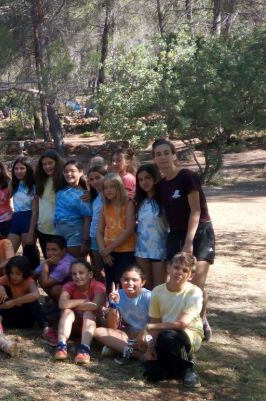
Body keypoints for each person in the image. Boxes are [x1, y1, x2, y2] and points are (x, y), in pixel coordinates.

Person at [152, 139, 214, 341]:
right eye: (158, 154)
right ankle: (179, 320)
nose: (162, 157)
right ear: (154, 158)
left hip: (199, 232)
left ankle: (201, 319)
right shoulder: (161, 185)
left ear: (174, 155)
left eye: (165, 153)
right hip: (175, 233)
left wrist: (189, 242)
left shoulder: (187, 176)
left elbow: (196, 210)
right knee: (174, 279)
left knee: (196, 282)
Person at [141, 253, 204, 388]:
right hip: (164, 333)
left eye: (185, 270)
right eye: (176, 267)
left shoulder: (195, 292)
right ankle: (170, 366)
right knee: (152, 375)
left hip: (189, 334)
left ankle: (187, 367)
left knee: (168, 336)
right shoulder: (157, 291)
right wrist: (150, 348)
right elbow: (155, 321)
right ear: (168, 268)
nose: (179, 272)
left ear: (191, 276)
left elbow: (182, 324)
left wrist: (151, 327)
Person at [0, 255, 55, 344]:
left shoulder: (29, 281)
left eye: (18, 274)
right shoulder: (5, 279)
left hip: (25, 319)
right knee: (4, 288)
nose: (14, 276)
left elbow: (36, 295)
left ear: (25, 273)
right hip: (6, 317)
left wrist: (14, 302)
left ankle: (45, 328)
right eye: (11, 273)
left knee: (32, 300)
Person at [93, 266, 152, 364]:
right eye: (126, 279)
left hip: (146, 335)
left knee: (145, 339)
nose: (130, 283)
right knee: (98, 332)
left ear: (143, 282)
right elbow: (112, 327)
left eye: (134, 280)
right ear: (121, 280)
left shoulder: (149, 297)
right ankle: (139, 355)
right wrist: (113, 305)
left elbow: (155, 322)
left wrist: (142, 335)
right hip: (129, 336)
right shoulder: (117, 294)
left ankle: (120, 349)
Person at [54, 259, 106, 364]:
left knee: (88, 313)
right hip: (75, 325)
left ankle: (84, 349)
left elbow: (95, 306)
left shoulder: (98, 285)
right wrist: (83, 301)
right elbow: (62, 304)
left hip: (95, 325)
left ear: (90, 274)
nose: (77, 276)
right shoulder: (69, 286)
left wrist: (72, 304)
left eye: (81, 273)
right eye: (74, 274)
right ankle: (61, 346)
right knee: (66, 311)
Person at [96, 173, 136, 289]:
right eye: (105, 187)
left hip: (125, 251)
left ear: (119, 187)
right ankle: (111, 307)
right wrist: (104, 251)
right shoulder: (105, 206)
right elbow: (99, 231)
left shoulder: (128, 203)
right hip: (108, 253)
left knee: (123, 284)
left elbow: (129, 230)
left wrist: (109, 249)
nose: (108, 190)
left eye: (112, 186)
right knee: (110, 284)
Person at [135, 163, 169, 289]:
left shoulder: (165, 199)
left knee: (159, 289)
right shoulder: (139, 202)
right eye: (140, 179)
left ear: (155, 177)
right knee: (145, 289)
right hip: (141, 251)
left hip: (160, 250)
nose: (144, 182)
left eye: (148, 178)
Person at [54, 160, 92, 258]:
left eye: (72, 171)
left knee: (75, 263)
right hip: (59, 231)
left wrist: (85, 241)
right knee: (61, 265)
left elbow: (87, 219)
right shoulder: (60, 191)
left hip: (76, 232)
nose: (69, 174)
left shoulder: (84, 195)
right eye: (66, 171)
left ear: (80, 172)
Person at [30, 150, 64, 258]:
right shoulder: (39, 181)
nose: (47, 166)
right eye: (44, 164)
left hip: (60, 229)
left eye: (50, 163)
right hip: (43, 229)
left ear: (57, 163)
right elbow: (36, 209)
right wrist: (32, 231)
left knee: (62, 263)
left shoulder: (65, 179)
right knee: (48, 260)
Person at [9, 156, 40, 268]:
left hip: (29, 219)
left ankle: (31, 280)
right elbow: (4, 198)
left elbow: (35, 212)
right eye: (16, 168)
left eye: (22, 168)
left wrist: (31, 231)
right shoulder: (13, 184)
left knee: (28, 255)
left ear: (28, 169)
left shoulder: (34, 186)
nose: (18, 171)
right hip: (16, 219)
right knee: (9, 253)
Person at [33, 235, 75, 301]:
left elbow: (45, 283)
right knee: (41, 277)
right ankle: (55, 301)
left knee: (55, 289)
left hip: (79, 293)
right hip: (67, 286)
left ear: (63, 251)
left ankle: (64, 305)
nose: (50, 253)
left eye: (54, 250)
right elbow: (34, 274)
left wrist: (46, 264)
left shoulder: (65, 265)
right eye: (48, 250)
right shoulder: (52, 259)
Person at [86, 164, 108, 282]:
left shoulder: (109, 194)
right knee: (97, 269)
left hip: (108, 236)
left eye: (98, 177)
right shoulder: (94, 196)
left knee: (109, 269)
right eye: (91, 179)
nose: (95, 182)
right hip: (94, 236)